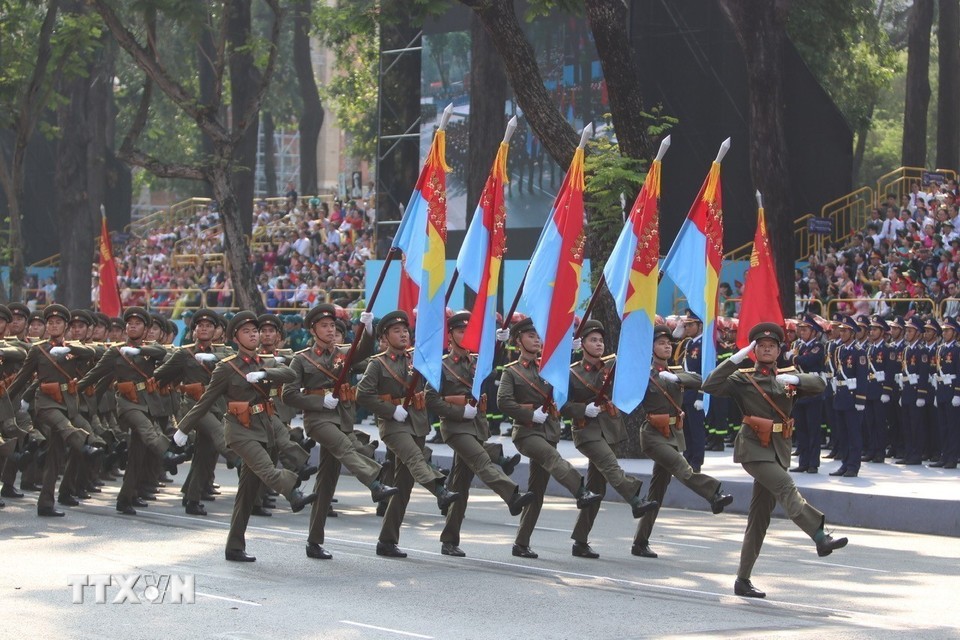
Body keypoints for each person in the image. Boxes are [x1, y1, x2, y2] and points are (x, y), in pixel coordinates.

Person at [702, 322, 847, 599]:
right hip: (754, 449)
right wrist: (736, 359)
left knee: (759, 519)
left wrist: (797, 381)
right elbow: (710, 384)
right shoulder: (744, 379)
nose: (767, 350)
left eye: (772, 346)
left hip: (779, 449)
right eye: (761, 346)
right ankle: (820, 536)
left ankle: (742, 579)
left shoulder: (788, 377)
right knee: (786, 487)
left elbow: (819, 385)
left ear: (780, 351)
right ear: (754, 350)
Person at [174, 311, 318, 562]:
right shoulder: (226, 367)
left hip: (264, 429)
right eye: (247, 332)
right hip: (240, 431)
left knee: (247, 493)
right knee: (267, 469)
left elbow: (290, 375)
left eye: (255, 331)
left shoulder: (265, 362)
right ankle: (293, 492)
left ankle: (234, 547)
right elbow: (205, 401)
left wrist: (265, 374)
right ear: (235, 338)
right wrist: (182, 429)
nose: (253, 335)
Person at [282, 304, 399, 560]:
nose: (329, 329)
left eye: (332, 326)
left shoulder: (343, 353)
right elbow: (288, 394)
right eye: (324, 326)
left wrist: (367, 328)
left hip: (342, 419)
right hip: (318, 420)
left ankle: (314, 541)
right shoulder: (301, 359)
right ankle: (375, 482)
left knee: (326, 483)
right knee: (345, 447)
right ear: (313, 330)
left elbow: (364, 350)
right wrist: (318, 401)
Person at [425, 312, 536, 558]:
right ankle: (512, 496)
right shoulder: (441, 365)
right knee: (482, 461)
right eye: (460, 331)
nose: (466, 336)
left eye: (469, 331)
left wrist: (499, 343)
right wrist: (458, 411)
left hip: (476, 426)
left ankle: (449, 540)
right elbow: (430, 399)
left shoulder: (476, 362)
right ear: (450, 336)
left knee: (460, 487)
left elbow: (490, 369)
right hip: (455, 428)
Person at [356, 310, 460, 558]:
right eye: (396, 331)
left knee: (403, 487)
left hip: (417, 423)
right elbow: (363, 394)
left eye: (405, 330)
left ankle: (387, 541)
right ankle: (439, 489)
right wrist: (391, 410)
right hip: (394, 426)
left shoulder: (417, 358)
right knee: (416, 457)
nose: (403, 335)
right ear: (384, 336)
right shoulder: (378, 364)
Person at [496, 317, 602, 559]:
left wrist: (571, 352)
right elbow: (503, 402)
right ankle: (581, 491)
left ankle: (521, 543)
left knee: (536, 491)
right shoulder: (512, 371)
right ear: (518, 340)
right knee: (552, 457)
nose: (536, 340)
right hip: (527, 433)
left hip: (549, 432)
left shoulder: (548, 367)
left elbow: (566, 383)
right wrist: (529, 414)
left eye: (538, 336)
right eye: (530, 336)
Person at [631, 325, 733, 559]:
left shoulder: (676, 371)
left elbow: (698, 379)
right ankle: (714, 494)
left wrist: (676, 377)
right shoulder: (644, 373)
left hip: (673, 435)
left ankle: (640, 541)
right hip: (653, 434)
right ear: (651, 348)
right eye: (661, 343)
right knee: (681, 466)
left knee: (657, 491)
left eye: (669, 343)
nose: (667, 347)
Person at [563, 320, 658, 559]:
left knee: (597, 489)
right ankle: (635, 499)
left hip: (610, 429)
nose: (598, 344)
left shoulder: (613, 365)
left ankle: (580, 541)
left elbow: (634, 371)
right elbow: (560, 404)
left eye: (601, 340)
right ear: (582, 344)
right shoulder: (572, 372)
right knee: (610, 465)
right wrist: (582, 409)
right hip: (587, 432)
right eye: (593, 340)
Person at [8, 305, 107, 517]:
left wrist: (69, 349)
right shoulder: (38, 350)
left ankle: (45, 503)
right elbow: (22, 379)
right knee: (64, 426)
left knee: (55, 457)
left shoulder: (73, 349)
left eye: (58, 323)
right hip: (45, 403)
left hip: (67, 405)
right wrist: (6, 399)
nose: (53, 326)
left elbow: (92, 352)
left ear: (66, 327)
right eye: (50, 323)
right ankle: (84, 445)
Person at [828, 316, 867, 478]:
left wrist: (860, 400)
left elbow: (862, 377)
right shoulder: (839, 350)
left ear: (852, 333)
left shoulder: (859, 352)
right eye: (841, 330)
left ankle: (853, 466)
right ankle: (844, 463)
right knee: (842, 433)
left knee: (853, 434)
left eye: (845, 331)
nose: (841, 333)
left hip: (852, 398)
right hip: (841, 396)